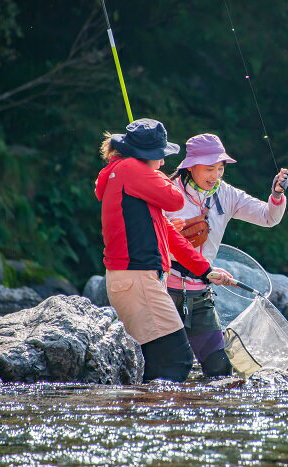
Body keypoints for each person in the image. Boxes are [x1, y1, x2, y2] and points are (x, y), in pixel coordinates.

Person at [94, 118, 231, 383]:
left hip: (133, 281)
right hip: (138, 280)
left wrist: (206, 270)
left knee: (156, 363)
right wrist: (154, 175)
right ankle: (159, 421)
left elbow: (169, 234)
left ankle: (140, 417)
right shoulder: (132, 169)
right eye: (159, 157)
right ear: (146, 156)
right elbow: (176, 199)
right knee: (176, 360)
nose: (163, 163)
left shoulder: (126, 175)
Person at [165, 132, 288, 377]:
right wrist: (165, 229)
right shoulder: (166, 192)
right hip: (164, 291)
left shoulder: (228, 194)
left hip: (200, 293)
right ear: (190, 167)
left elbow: (268, 218)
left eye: (220, 168)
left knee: (219, 369)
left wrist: (276, 196)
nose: (216, 175)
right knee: (171, 368)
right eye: (210, 169)